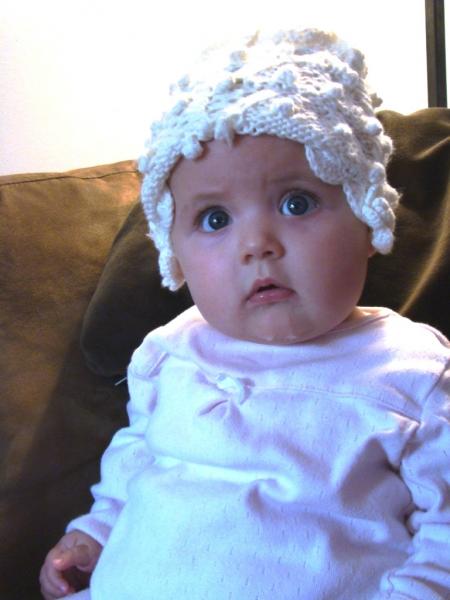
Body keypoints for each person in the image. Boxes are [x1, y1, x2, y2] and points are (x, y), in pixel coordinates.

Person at [40, 28, 450, 600]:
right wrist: (94, 533)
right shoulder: (169, 351)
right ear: (175, 252)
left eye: (296, 203)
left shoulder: (414, 371)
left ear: (366, 218)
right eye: (214, 219)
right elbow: (135, 463)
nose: (257, 244)